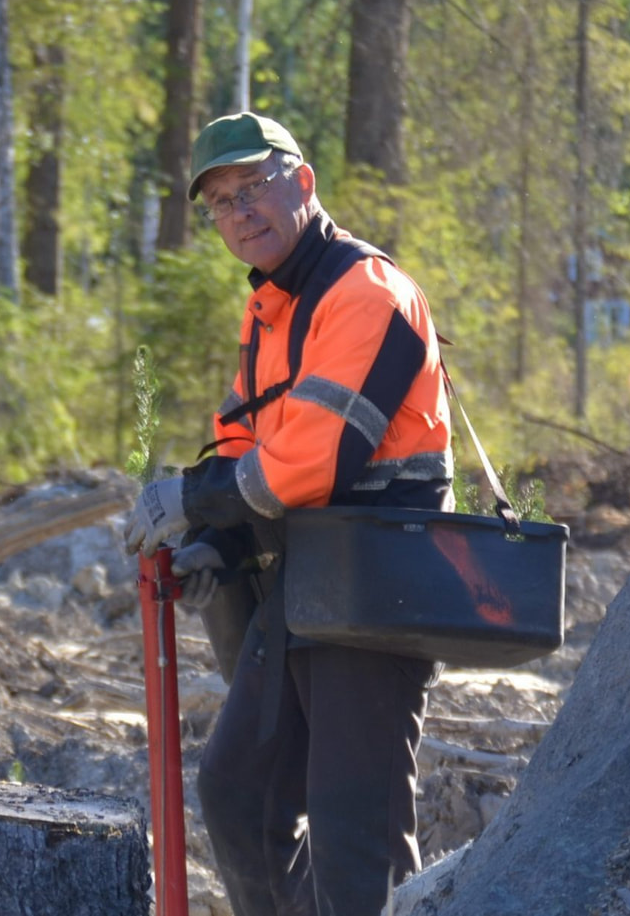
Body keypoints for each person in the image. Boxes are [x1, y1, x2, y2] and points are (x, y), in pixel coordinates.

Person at [122, 112, 453, 916]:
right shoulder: (270, 310)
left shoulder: (368, 293)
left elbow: (316, 456)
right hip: (305, 584)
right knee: (239, 793)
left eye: (254, 187)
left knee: (354, 832)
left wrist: (188, 500)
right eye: (221, 201)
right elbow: (244, 439)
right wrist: (214, 544)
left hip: (378, 589)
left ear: (301, 183)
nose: (240, 212)